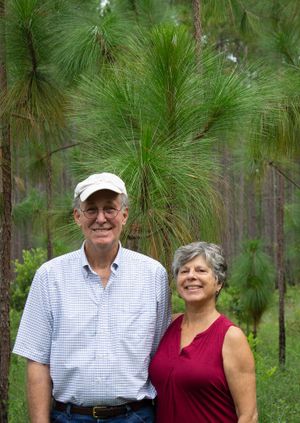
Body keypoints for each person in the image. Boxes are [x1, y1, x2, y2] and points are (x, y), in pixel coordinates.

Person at [13, 172, 171, 423]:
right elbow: (38, 363)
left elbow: (161, 357)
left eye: (110, 209)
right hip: (69, 417)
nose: (101, 219)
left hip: (136, 416)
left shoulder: (153, 275)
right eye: (91, 210)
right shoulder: (50, 277)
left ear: (124, 215)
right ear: (77, 217)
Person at [149, 241, 258, 423]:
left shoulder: (230, 336)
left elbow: (249, 415)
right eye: (184, 271)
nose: (191, 276)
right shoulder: (168, 324)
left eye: (201, 270)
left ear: (219, 283)